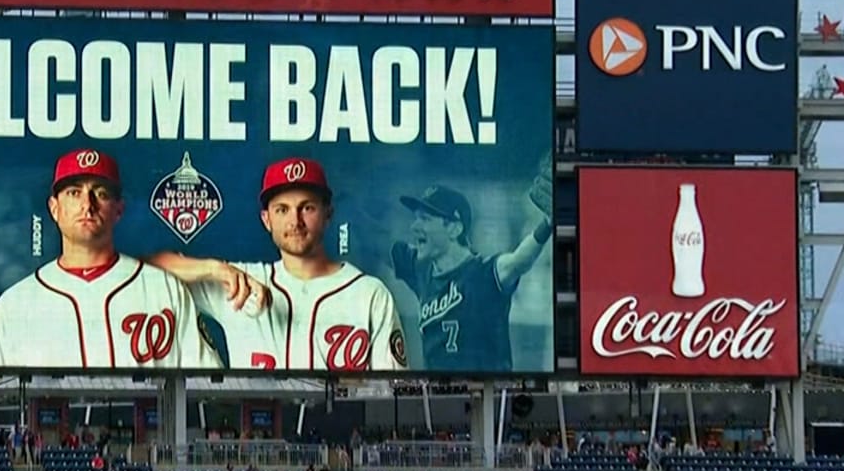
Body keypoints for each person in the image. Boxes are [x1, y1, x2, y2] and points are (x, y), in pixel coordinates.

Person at [151, 158, 406, 372]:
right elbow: (146, 269)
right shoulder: (241, 283)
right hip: (257, 429)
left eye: (307, 208)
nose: (295, 221)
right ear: (266, 219)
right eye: (282, 210)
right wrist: (218, 269)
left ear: (328, 214)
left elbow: (393, 394)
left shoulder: (369, 294)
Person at [0, 149, 218, 369]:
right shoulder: (15, 304)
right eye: (74, 193)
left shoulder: (163, 289)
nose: (87, 205)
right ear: (54, 208)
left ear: (119, 209)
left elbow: (206, 388)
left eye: (100, 194)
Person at [390, 154, 552, 372]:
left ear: (454, 228)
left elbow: (518, 261)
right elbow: (381, 248)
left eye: (425, 219)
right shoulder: (420, 270)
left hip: (490, 396)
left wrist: (547, 224)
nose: (414, 226)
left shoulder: (482, 274)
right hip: (437, 398)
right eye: (416, 218)